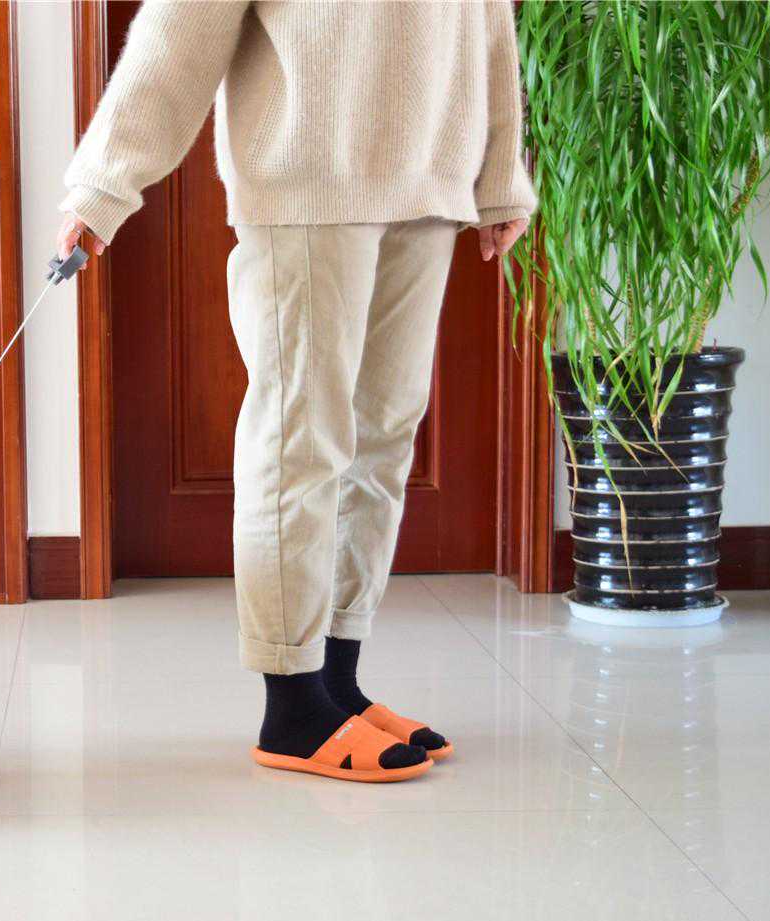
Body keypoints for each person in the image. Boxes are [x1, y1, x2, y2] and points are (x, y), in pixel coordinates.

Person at [56, 0, 535, 782]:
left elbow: (487, 25)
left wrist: (500, 177)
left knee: (383, 439)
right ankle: (291, 705)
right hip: (309, 181)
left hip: (431, 180)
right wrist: (103, 185)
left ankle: (336, 683)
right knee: (301, 437)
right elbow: (179, 30)